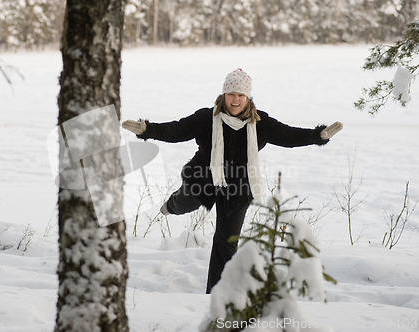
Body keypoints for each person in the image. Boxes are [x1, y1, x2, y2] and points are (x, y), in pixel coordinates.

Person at [122, 68, 342, 294]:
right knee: (185, 203)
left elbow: (288, 135)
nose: (235, 100)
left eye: (241, 95)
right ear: (223, 95)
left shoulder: (260, 122)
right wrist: (148, 130)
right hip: (203, 179)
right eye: (231, 94)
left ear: (248, 98)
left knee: (226, 244)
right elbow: (176, 130)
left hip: (237, 188)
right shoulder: (206, 118)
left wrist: (317, 136)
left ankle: (216, 295)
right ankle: (172, 205)